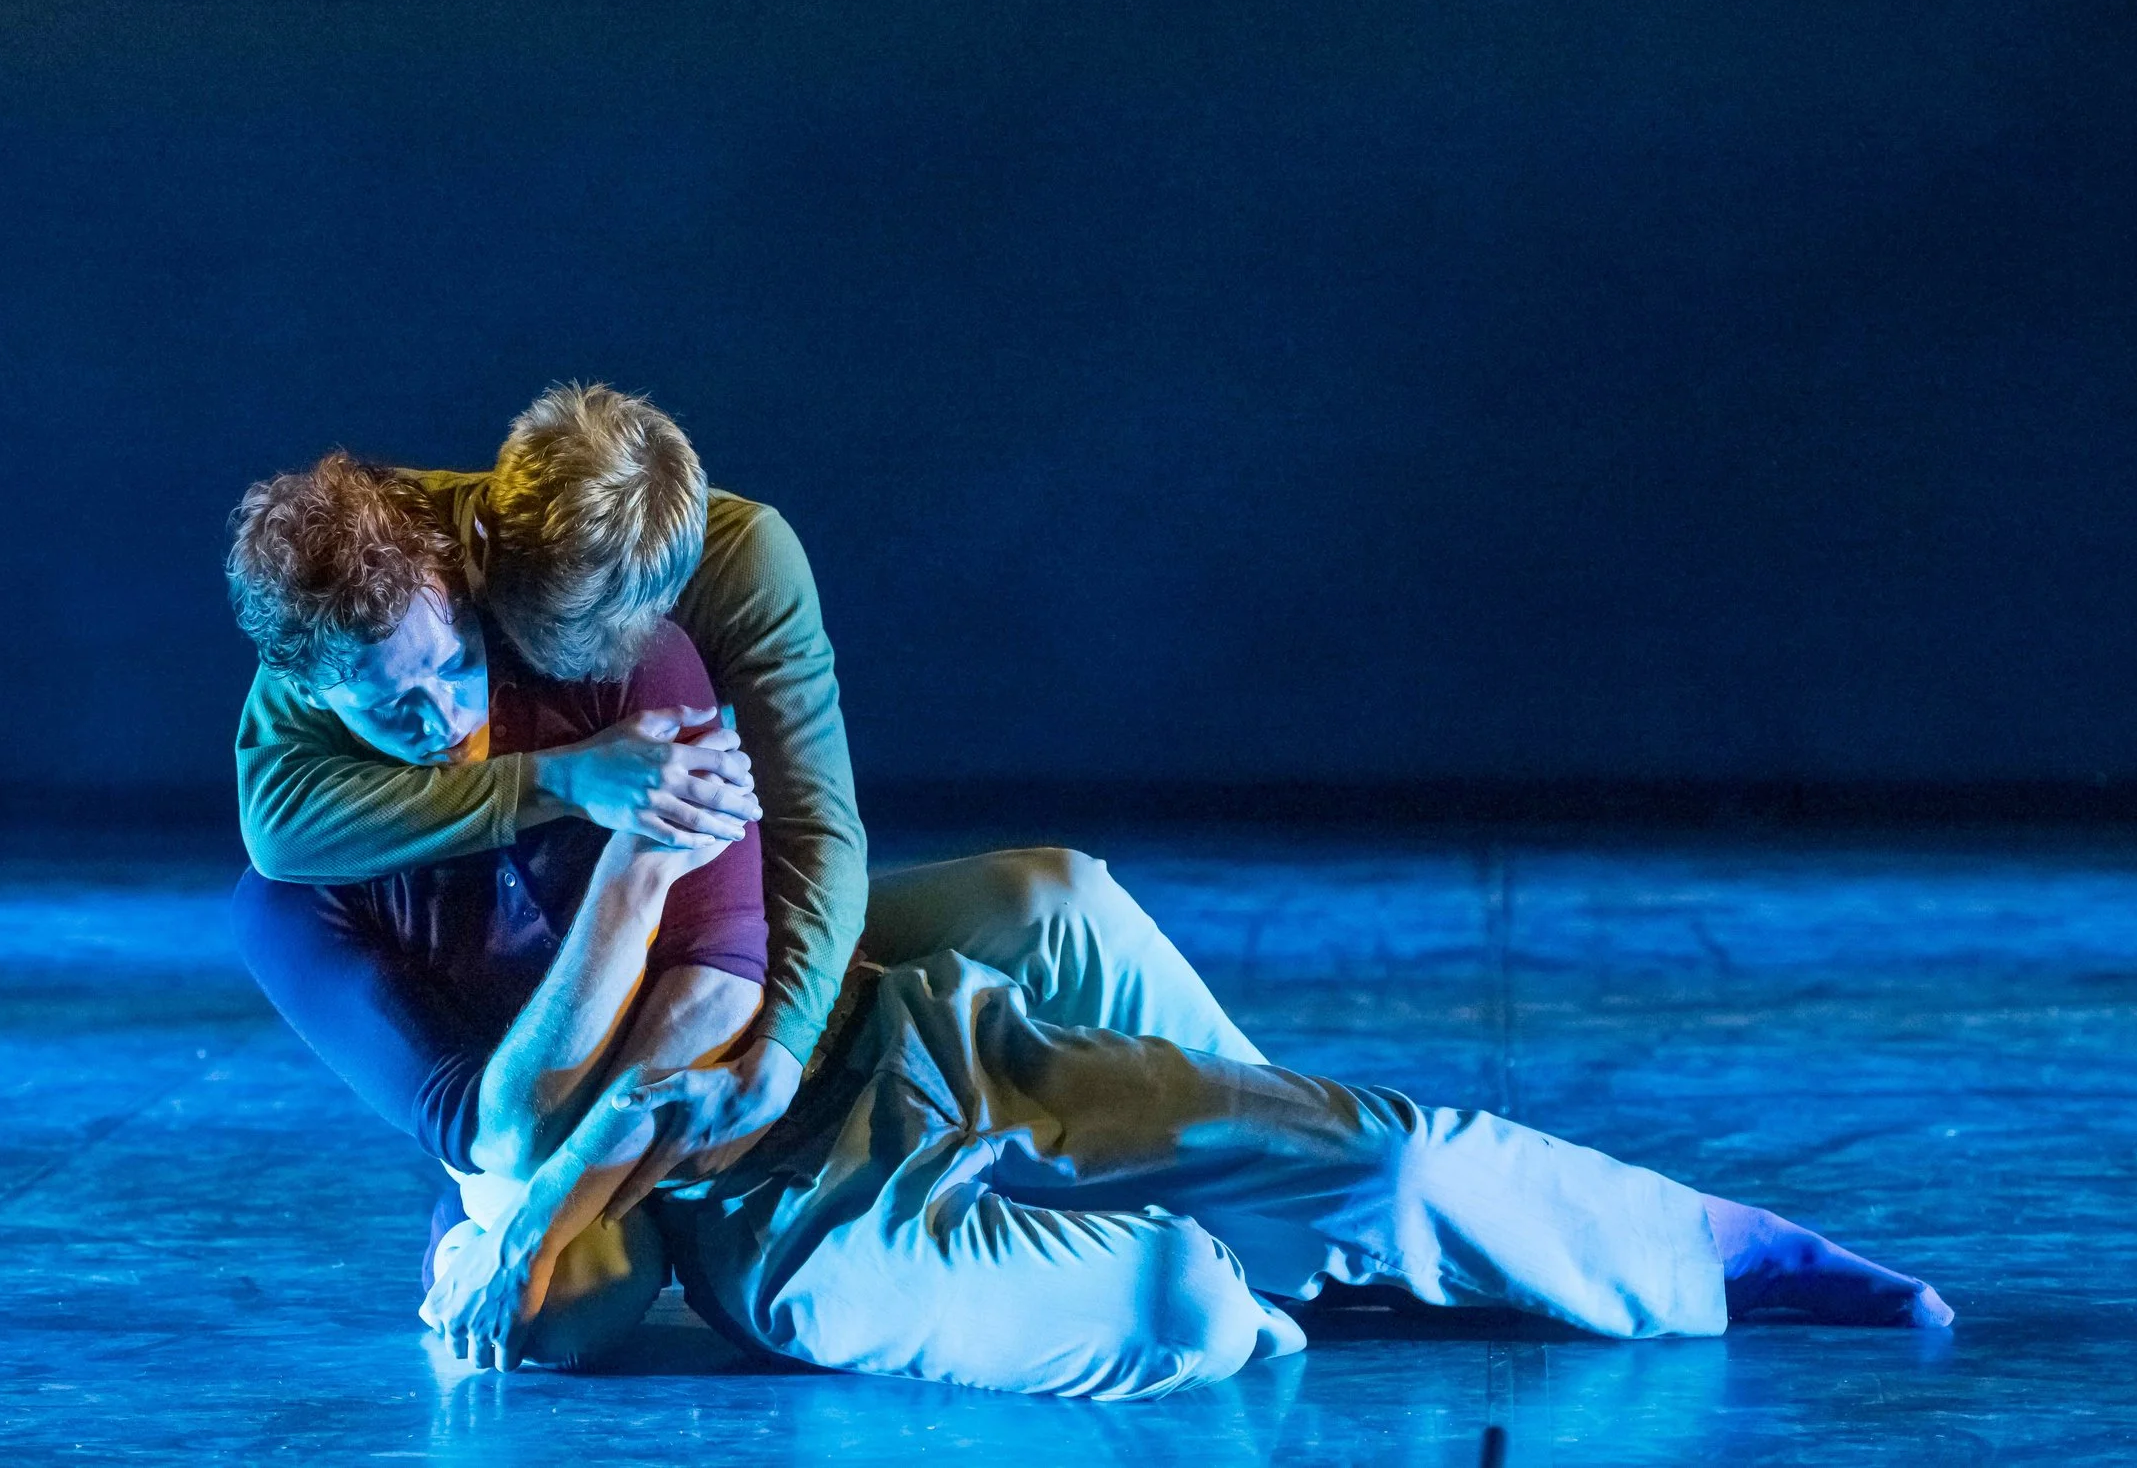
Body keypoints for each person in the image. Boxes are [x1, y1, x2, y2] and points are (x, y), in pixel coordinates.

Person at [224, 454, 1954, 1402]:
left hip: (883, 1034)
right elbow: (496, 1124)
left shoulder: (632, 635)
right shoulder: (301, 865)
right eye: (392, 702)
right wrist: (612, 851)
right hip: (751, 1206)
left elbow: (766, 922)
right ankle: (1285, 1260)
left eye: (453, 665)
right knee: (1174, 1303)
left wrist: (704, 979)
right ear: (307, 696)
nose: (448, 715)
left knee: (1383, 1152)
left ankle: (1696, 1253)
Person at [232, 385, 1260, 1202]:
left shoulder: (744, 563)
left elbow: (816, 831)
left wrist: (780, 1041)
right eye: (550, 627)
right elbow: (277, 823)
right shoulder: (394, 569)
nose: (603, 664)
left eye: (625, 632)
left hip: (718, 930)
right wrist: (555, 779)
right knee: (572, 1263)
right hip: (556, 989)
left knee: (1058, 903)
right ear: (488, 555)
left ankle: (1272, 1171)